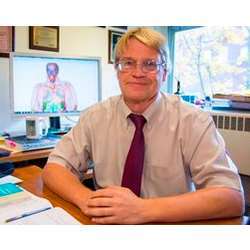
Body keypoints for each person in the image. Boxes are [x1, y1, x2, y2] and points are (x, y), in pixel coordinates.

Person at [42, 28, 244, 224]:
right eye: (128, 63)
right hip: (108, 223)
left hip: (170, 223)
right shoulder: (94, 117)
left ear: (164, 73)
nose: (137, 73)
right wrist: (86, 199)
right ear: (118, 71)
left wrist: (141, 210)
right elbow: (54, 168)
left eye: (150, 64)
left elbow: (231, 197)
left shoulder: (194, 121)